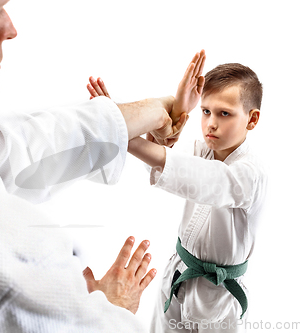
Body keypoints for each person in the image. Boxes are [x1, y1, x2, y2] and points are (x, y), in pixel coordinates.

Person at [0, 0, 188, 332]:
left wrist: (150, 112)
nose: (10, 29)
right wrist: (115, 307)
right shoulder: (9, 270)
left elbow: (17, 144)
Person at [88, 58, 268, 332]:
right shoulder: (201, 150)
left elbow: (196, 176)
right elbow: (165, 152)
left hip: (218, 294)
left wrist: (121, 131)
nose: (211, 123)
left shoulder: (249, 173)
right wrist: (180, 108)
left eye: (225, 113)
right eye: (206, 111)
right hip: (179, 271)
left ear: (252, 119)